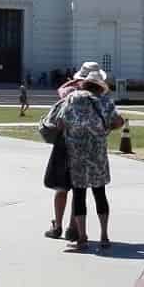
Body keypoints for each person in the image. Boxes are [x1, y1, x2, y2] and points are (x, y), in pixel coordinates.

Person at [48, 66, 120, 250]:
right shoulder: (106, 101)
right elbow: (118, 121)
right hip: (98, 154)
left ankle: (82, 238)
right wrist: (105, 131)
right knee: (100, 194)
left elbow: (59, 121)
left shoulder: (72, 98)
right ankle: (104, 236)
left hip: (76, 153)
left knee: (79, 195)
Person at [41, 69, 87, 241]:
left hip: (63, 147)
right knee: (78, 191)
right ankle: (72, 227)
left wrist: (72, 81)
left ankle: (58, 226)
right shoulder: (94, 99)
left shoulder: (69, 94)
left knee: (61, 189)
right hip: (83, 148)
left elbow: (58, 122)